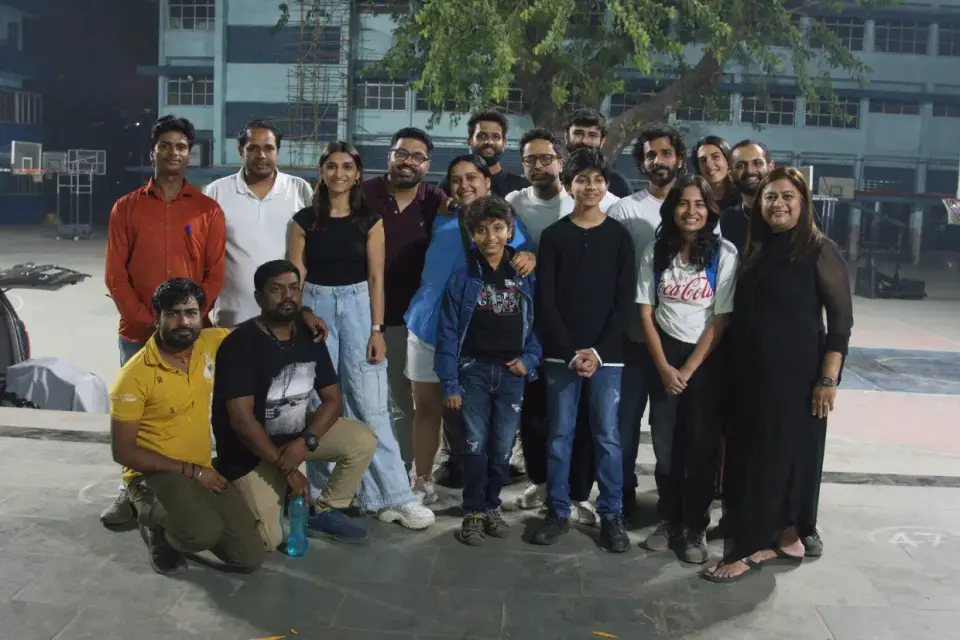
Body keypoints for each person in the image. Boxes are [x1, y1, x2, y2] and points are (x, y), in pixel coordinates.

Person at [702, 166, 853, 583]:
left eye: (788, 196)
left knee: (779, 458)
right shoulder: (756, 248)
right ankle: (785, 538)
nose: (778, 204)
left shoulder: (820, 250)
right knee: (751, 456)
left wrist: (828, 380)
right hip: (749, 375)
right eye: (771, 197)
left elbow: (840, 323)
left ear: (803, 203)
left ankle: (756, 547)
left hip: (795, 377)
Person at [287, 142, 435, 530]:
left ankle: (393, 496)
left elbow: (375, 279)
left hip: (358, 309)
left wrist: (376, 330)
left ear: (356, 175)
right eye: (331, 166)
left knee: (371, 406)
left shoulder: (370, 221)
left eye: (347, 167)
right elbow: (293, 280)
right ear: (321, 172)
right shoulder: (302, 221)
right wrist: (303, 315)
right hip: (314, 309)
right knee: (321, 406)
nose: (339, 173)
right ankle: (326, 497)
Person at [101, 115, 226, 530]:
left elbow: (214, 275)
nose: (174, 152)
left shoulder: (207, 210)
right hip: (138, 334)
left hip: (189, 336)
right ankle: (131, 488)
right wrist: (147, 322)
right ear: (152, 151)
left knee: (185, 415)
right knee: (135, 421)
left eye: (181, 146)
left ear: (190, 153)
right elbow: (115, 275)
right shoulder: (127, 207)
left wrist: (187, 321)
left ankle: (187, 480)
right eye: (166, 145)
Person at [213, 260, 379, 544]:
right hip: (250, 451)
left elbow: (333, 400)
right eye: (276, 289)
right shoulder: (239, 344)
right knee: (268, 540)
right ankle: (223, 489)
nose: (287, 295)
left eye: (293, 288)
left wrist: (306, 441)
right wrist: (287, 469)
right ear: (259, 297)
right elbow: (241, 421)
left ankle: (325, 513)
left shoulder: (309, 335)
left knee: (362, 439)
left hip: (293, 439)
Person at [109, 278, 263, 576]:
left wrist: (304, 315)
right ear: (157, 317)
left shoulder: (209, 343)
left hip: (200, 467)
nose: (183, 322)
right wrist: (193, 472)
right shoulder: (133, 377)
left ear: (201, 316)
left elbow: (256, 331)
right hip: (154, 473)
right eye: (173, 313)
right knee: (202, 533)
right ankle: (157, 528)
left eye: (191, 313)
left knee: (249, 558)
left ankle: (184, 521)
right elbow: (123, 452)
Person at [404, 155, 536, 503]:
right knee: (427, 409)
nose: (464, 185)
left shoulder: (507, 223)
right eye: (456, 179)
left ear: (487, 181)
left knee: (480, 419)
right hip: (426, 326)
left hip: (472, 338)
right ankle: (421, 480)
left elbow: (522, 262)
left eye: (471, 177)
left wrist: (530, 257)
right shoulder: (441, 217)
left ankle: (484, 494)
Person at [530, 148, 634, 552]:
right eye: (582, 180)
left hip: (608, 358)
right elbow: (547, 301)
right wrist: (572, 350)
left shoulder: (619, 237)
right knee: (559, 435)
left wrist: (598, 351)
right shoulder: (554, 236)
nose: (591, 187)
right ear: (569, 185)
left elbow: (624, 301)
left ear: (606, 185)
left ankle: (612, 515)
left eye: (598, 180)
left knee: (607, 436)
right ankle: (557, 512)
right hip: (562, 356)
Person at [636, 174, 738, 563]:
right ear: (672, 208)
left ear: (709, 210)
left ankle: (696, 526)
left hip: (706, 360)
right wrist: (664, 366)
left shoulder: (723, 253)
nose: (691, 211)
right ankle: (670, 519)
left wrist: (690, 368)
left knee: (701, 446)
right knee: (666, 446)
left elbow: (721, 318)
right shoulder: (655, 251)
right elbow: (645, 311)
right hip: (664, 356)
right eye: (683, 203)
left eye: (699, 204)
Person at [435, 196, 542, 545]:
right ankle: (473, 511)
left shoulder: (524, 274)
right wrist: (450, 382)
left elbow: (540, 323)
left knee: (501, 448)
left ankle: (492, 505)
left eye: (498, 228)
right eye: (481, 230)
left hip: (512, 374)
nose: (491, 237)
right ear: (472, 235)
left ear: (510, 231)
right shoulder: (462, 276)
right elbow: (448, 332)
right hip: (473, 372)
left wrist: (530, 359)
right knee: (474, 443)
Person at [606, 123, 687, 518]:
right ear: (641, 162)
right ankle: (622, 494)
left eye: (666, 153)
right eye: (651, 154)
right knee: (624, 423)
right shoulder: (624, 210)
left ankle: (671, 499)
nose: (658, 160)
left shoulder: (696, 209)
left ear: (679, 159)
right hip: (631, 339)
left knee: (669, 428)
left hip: (677, 342)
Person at [363, 127, 451, 468]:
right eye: (401, 153)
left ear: (427, 165)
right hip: (361, 313)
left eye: (417, 157)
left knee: (402, 403)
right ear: (389, 156)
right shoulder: (363, 194)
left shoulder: (434, 200)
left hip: (408, 320)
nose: (408, 161)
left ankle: (399, 472)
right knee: (361, 401)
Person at [203, 120, 314, 329]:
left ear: (278, 152)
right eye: (253, 148)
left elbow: (312, 251)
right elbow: (204, 255)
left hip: (286, 317)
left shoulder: (299, 189)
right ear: (240, 151)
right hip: (231, 318)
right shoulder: (217, 192)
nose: (261, 155)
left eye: (268, 148)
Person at [438, 110, 528, 197]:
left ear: (504, 144)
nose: (489, 142)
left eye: (496, 137)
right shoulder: (450, 183)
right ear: (470, 142)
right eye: (482, 136)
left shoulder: (521, 187)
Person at [563, 108, 632, 197]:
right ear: (567, 136)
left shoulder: (618, 184)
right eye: (578, 133)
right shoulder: (553, 179)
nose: (585, 141)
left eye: (592, 135)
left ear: (602, 141)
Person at [722, 139, 776, 253]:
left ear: (771, 167)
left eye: (757, 163)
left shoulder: (789, 213)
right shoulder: (726, 220)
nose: (750, 171)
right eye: (741, 165)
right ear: (730, 174)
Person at [692, 135, 739, 210]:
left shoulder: (743, 197)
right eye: (703, 160)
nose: (708, 164)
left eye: (715, 157)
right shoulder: (692, 198)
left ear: (728, 159)